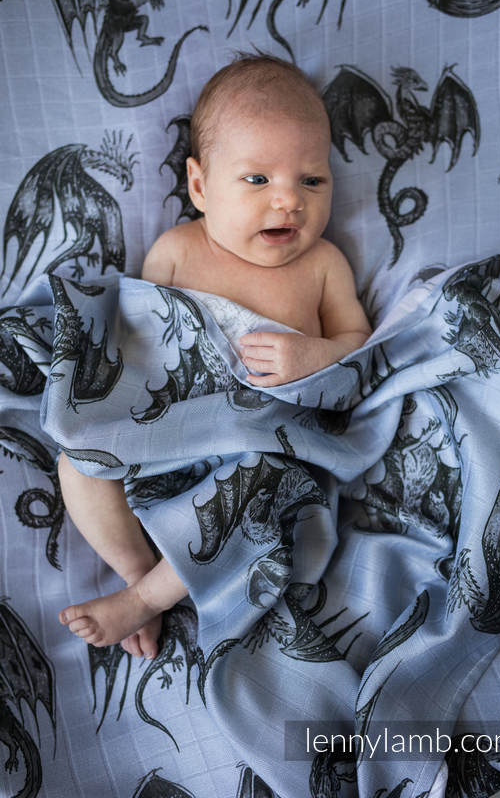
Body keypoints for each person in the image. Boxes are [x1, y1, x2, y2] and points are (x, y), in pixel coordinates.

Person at [58, 53, 372, 659]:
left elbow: (357, 350)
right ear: (200, 186)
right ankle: (136, 564)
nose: (289, 201)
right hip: (165, 432)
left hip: (257, 448)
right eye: (258, 180)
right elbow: (138, 341)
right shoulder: (176, 251)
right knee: (78, 461)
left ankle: (144, 597)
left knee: (260, 491)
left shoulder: (323, 266)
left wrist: (312, 355)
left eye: (312, 180)